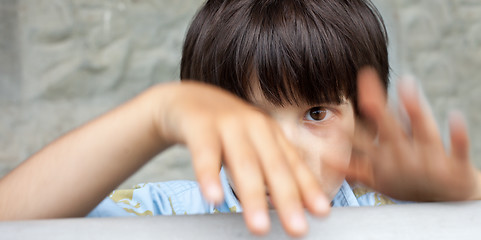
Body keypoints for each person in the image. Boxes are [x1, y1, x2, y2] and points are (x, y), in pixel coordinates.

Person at [1, 0, 480, 237]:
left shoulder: (389, 215)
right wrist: (155, 114)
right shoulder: (168, 214)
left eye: (316, 113)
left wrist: (458, 205)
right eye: (245, 117)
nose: (283, 149)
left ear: (364, 123)